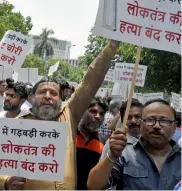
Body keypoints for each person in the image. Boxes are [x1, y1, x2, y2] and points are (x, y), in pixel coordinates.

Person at [0, 40, 119, 190]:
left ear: (61, 99)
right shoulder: (16, 126)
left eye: (54, 93)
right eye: (42, 92)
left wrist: (112, 46)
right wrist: (6, 181)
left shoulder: (69, 114)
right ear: (31, 97)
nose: (48, 96)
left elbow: (91, 81)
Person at [87, 99, 181, 190]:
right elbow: (94, 186)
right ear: (142, 123)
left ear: (174, 126)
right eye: (150, 120)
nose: (156, 126)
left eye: (164, 121)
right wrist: (111, 156)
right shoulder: (123, 152)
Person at [76, 97, 108, 190]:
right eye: (93, 111)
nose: (98, 116)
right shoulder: (68, 134)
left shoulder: (103, 142)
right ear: (82, 112)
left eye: (101, 114)